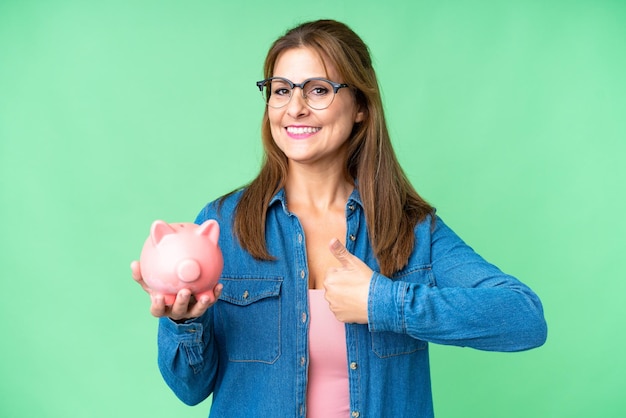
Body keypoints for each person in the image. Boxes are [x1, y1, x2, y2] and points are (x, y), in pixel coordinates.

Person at [132, 19, 547, 418]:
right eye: (280, 90)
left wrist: (382, 302)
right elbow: (190, 389)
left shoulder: (411, 228)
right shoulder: (224, 224)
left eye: (317, 90)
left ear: (361, 107)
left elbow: (524, 319)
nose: (294, 108)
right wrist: (184, 322)